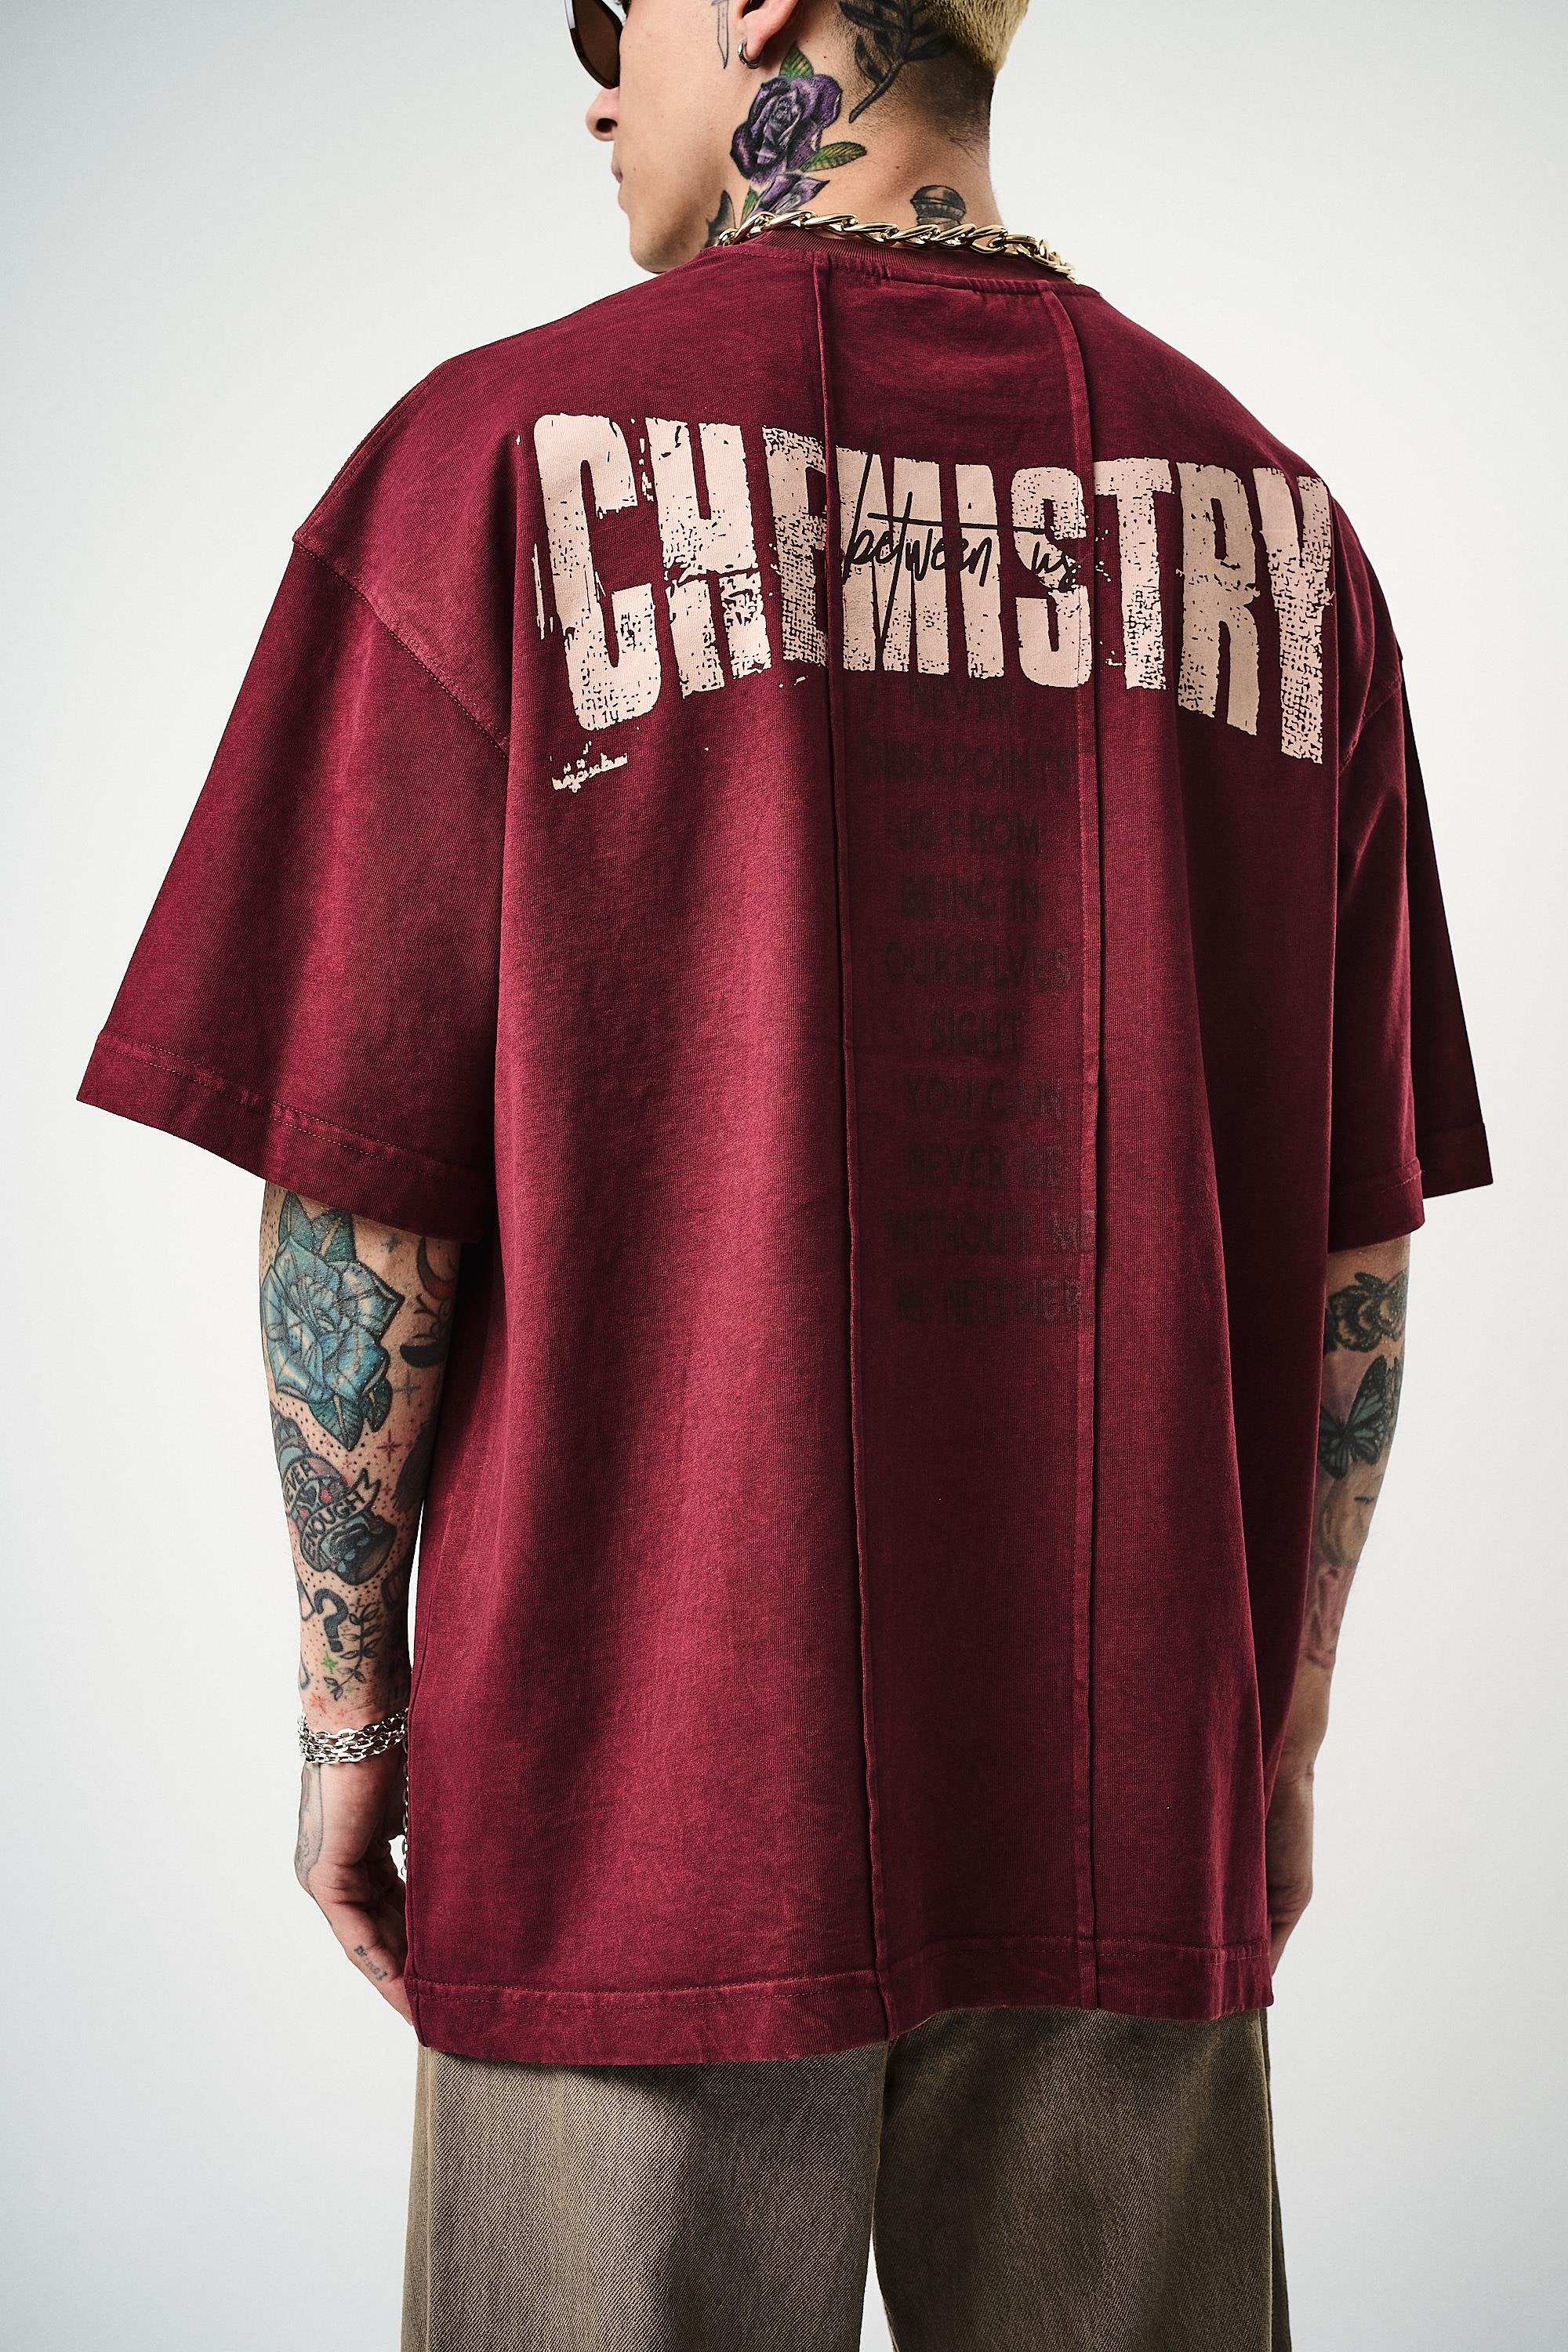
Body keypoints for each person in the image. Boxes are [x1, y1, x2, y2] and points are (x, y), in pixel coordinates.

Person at [77, 2, 1492, 2345]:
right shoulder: (1284, 532)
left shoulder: (488, 465)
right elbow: (1360, 1247)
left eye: (608, 20)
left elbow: (361, 1199)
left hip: (626, 1823)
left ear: (760, 7)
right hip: (1126, 1809)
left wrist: (349, 1718)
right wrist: (1282, 1735)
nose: (595, 90)